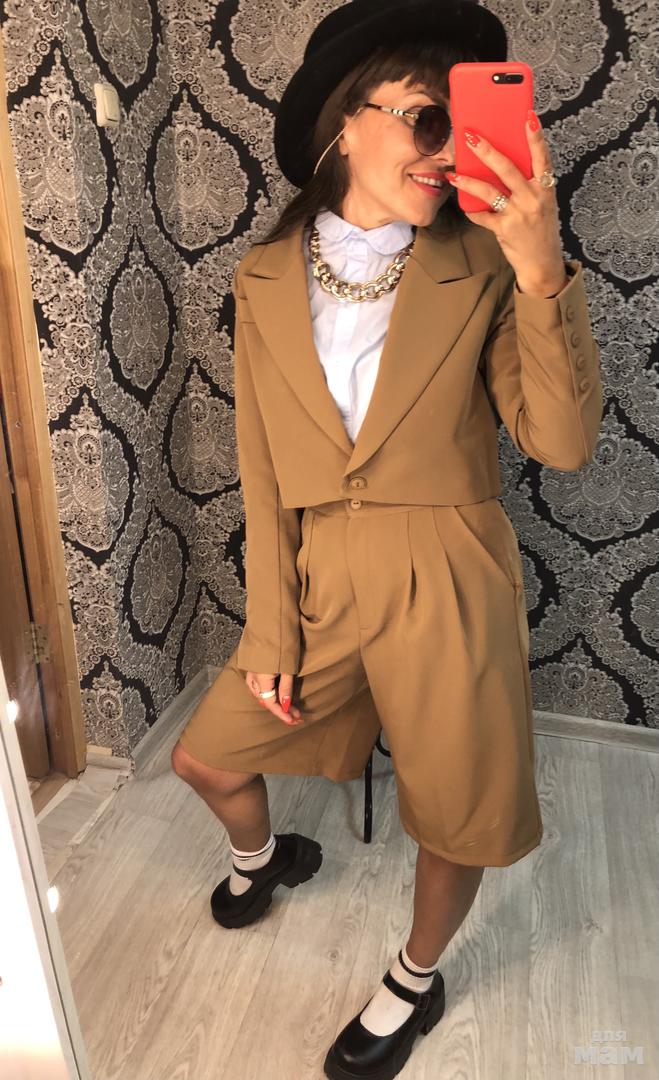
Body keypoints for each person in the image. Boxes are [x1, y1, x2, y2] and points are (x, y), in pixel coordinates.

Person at [171, 1, 604, 1077]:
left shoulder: (485, 263)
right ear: (344, 121)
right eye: (425, 117)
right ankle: (264, 858)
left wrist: (541, 271)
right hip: (319, 576)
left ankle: (414, 976)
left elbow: (559, 444)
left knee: (454, 814)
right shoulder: (262, 277)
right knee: (203, 756)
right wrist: (271, 627)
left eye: (461, 122)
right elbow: (264, 470)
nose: (448, 150)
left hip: (448, 573)